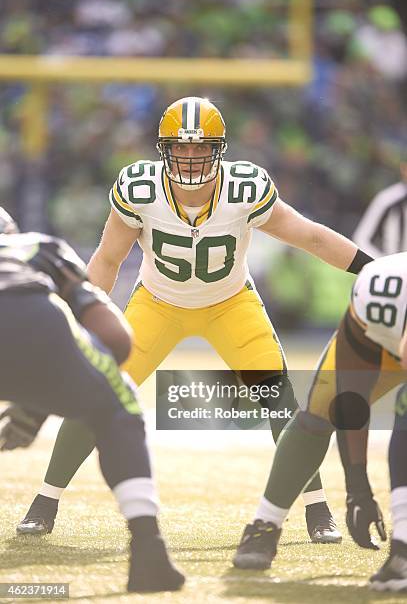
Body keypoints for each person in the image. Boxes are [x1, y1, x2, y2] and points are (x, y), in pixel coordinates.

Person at [18, 96, 372, 544]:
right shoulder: (140, 189)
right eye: (180, 148)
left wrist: (374, 268)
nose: (189, 157)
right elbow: (107, 261)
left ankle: (316, 509)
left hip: (230, 303)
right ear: (164, 149)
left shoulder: (243, 189)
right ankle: (45, 500)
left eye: (200, 148)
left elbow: (311, 237)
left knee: (280, 400)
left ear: (218, 149)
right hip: (157, 304)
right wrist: (76, 320)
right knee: (100, 388)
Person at [0, 207, 184, 593]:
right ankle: (148, 548)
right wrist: (46, 397)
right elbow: (116, 340)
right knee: (119, 405)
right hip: (32, 317)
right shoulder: (38, 248)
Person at [233, 253, 406, 586]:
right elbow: (349, 400)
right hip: (383, 340)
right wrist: (358, 489)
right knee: (318, 411)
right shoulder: (379, 292)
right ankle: (265, 524)